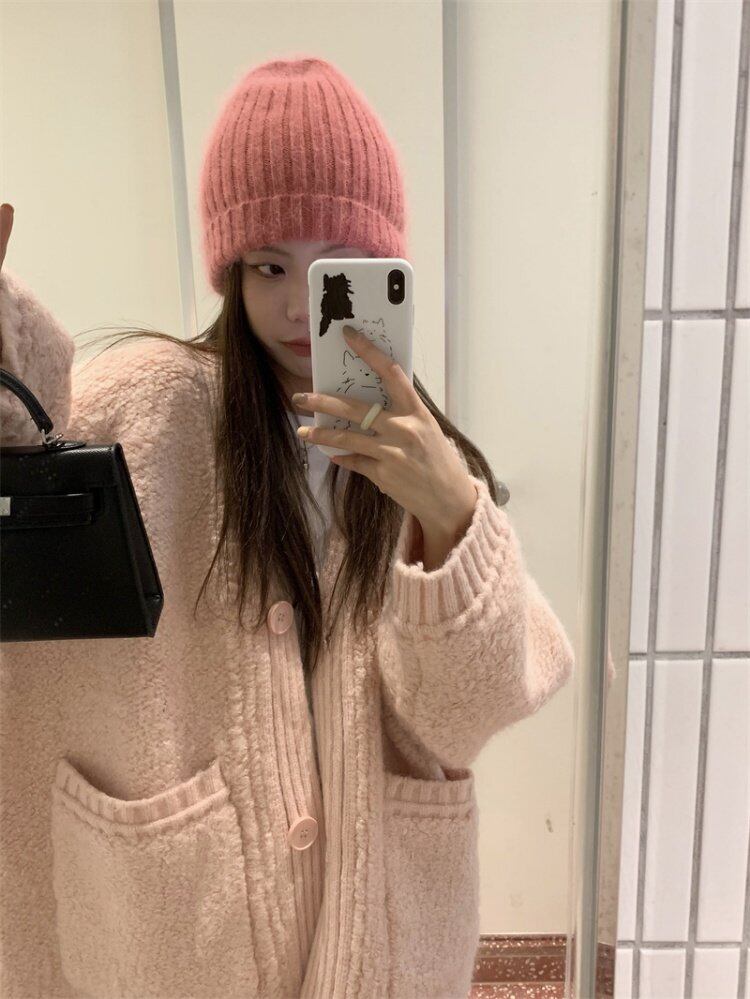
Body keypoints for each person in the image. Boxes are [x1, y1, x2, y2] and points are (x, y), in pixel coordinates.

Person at [0, 56, 576, 999]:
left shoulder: (419, 451)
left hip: (381, 933)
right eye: (270, 265)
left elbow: (460, 720)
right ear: (230, 272)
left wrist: (451, 515)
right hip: (192, 930)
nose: (300, 303)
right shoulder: (152, 403)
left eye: (335, 267)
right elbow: (30, 439)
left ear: (384, 270)